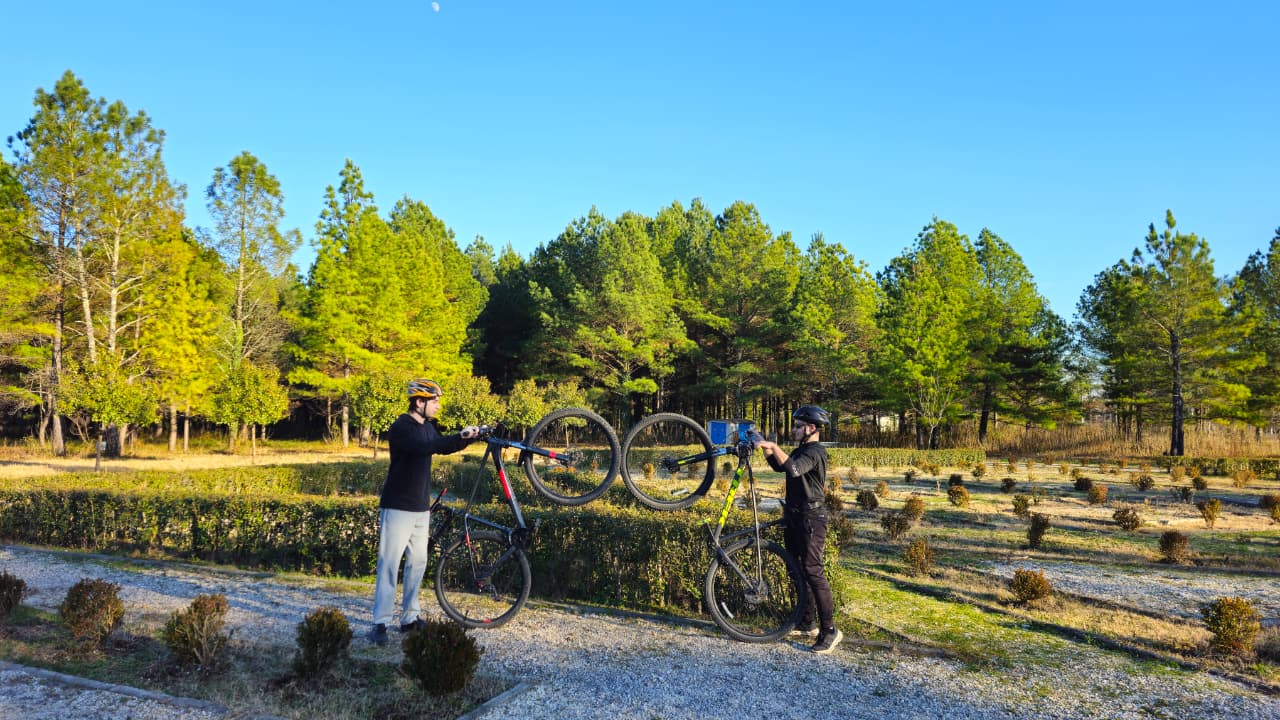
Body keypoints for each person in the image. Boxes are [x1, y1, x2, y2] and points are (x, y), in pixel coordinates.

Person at [368, 378, 480, 645]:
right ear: (419, 402)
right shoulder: (401, 428)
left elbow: (441, 445)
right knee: (389, 564)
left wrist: (469, 438)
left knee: (418, 562)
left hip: (420, 507)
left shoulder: (428, 427)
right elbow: (426, 447)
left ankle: (409, 618)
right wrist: (460, 435)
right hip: (397, 506)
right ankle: (380, 623)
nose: (438, 406)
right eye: (434, 401)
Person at [754, 405, 842, 654]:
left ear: (811, 428)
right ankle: (807, 622)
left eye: (797, 426)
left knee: (813, 571)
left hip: (811, 518)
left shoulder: (816, 451)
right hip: (794, 515)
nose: (793, 430)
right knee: (796, 568)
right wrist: (765, 448)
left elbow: (793, 468)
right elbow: (781, 467)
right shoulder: (802, 449)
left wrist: (772, 446)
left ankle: (830, 631)